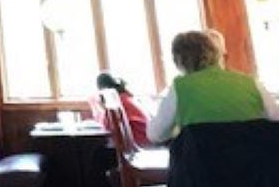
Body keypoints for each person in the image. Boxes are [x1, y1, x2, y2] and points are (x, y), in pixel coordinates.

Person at [146, 28, 279, 145]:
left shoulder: (180, 88)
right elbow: (276, 118)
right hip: (255, 168)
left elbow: (155, 135)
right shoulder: (251, 82)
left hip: (201, 170)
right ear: (216, 53)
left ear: (178, 61)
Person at [91, 70, 151, 148]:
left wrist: (98, 108)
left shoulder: (115, 103)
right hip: (147, 138)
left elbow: (107, 127)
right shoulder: (126, 97)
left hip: (140, 142)